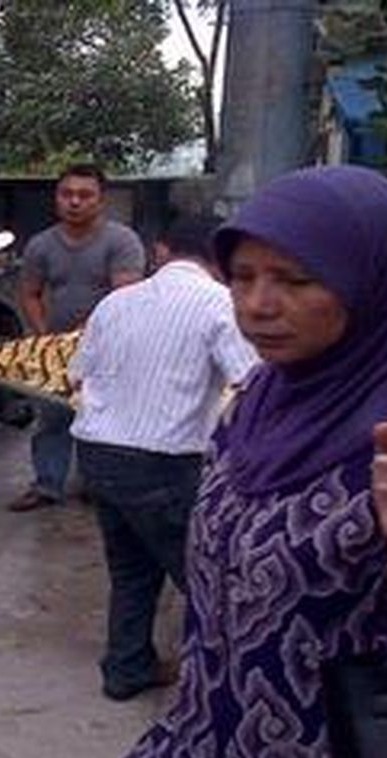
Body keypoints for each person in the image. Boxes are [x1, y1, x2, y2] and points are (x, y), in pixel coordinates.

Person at [99, 165, 387, 758]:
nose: (258, 305)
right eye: (242, 277)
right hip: (197, 757)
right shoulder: (257, 400)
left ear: (372, 280)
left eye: (296, 279)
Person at [68, 216, 258, 701]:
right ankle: (231, 688)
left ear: (160, 251)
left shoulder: (116, 302)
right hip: (164, 462)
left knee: (131, 568)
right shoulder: (220, 304)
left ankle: (127, 667)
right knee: (204, 577)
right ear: (221, 261)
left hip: (98, 454)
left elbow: (77, 374)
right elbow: (253, 385)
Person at [8, 163, 146, 512]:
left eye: (85, 195)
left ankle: (97, 485)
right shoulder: (41, 245)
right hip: (57, 348)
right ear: (56, 198)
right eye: (66, 194)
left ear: (101, 200)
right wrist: (44, 335)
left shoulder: (122, 241)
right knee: (52, 416)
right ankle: (47, 484)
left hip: (109, 348)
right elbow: (30, 293)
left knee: (102, 419)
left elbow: (124, 295)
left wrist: (88, 335)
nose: (74, 202)